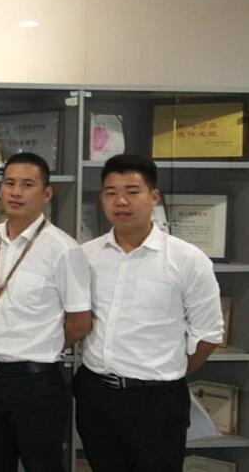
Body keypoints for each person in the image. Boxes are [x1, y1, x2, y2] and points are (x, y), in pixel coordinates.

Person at [76, 153, 224, 472]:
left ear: (154, 197)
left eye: (132, 191)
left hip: (157, 401)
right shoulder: (85, 255)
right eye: (111, 192)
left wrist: (168, 372)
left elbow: (209, 335)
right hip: (96, 395)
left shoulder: (187, 259)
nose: (121, 201)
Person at [0, 152, 92, 472]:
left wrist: (40, 343)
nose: (16, 192)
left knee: (43, 466)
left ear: (46, 193)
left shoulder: (63, 249)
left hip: (34, 384)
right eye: (9, 183)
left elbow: (80, 322)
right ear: (0, 190)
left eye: (27, 185)